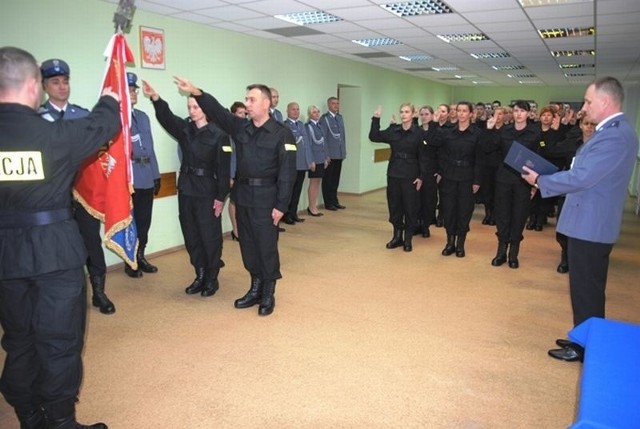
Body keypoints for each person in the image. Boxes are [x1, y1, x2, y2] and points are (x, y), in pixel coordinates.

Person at [0, 46, 121, 429]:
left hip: (5, 255)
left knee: (18, 338)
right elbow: (104, 124)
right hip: (54, 253)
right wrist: (111, 95)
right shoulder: (54, 136)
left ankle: (28, 416)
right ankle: (60, 421)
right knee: (59, 341)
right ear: (35, 85)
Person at [522, 76, 639, 362]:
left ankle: (587, 346)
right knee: (584, 287)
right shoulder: (611, 131)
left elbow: (584, 176)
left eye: (588, 101)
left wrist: (541, 180)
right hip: (588, 221)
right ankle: (584, 335)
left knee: (587, 289)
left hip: (592, 225)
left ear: (606, 101)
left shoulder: (615, 134)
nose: (584, 107)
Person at [173, 77, 297, 316]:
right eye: (247, 99)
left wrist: (282, 205)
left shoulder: (282, 134)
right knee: (248, 245)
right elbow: (217, 112)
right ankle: (255, 287)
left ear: (266, 103)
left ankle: (268, 292)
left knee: (266, 246)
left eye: (252, 99)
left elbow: (287, 173)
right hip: (243, 196)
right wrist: (197, 93)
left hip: (266, 198)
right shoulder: (241, 128)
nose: (248, 104)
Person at [38, 58, 115, 315]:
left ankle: (99, 292)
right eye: (55, 82)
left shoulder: (83, 116)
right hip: (51, 199)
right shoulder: (37, 119)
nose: (62, 86)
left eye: (65, 81)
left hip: (84, 195)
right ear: (44, 86)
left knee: (91, 242)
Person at [142, 80, 231, 298]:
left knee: (209, 236)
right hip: (187, 189)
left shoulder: (220, 135)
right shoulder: (186, 129)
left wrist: (221, 197)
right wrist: (156, 98)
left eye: (195, 107)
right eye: (189, 107)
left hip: (208, 191)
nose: (191, 111)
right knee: (191, 234)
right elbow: (167, 118)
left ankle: (212, 277)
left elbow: (224, 170)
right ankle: (199, 274)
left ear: (205, 110)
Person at [486, 100, 541, 269]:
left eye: (522, 111)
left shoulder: (534, 132)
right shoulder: (504, 130)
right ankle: (501, 251)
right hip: (504, 178)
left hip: (523, 181)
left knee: (519, 216)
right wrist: (490, 129)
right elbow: (488, 147)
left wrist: (534, 185)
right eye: (516, 110)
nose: (518, 114)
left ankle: (514, 253)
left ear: (528, 113)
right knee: (502, 215)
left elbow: (537, 158)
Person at [369, 103, 424, 252]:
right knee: (395, 206)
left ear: (413, 114)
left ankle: (408, 238)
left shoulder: (418, 133)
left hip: (411, 175)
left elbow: (423, 157)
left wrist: (421, 177)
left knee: (410, 207)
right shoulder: (394, 130)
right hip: (394, 173)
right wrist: (376, 118)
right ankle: (397, 236)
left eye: (407, 112)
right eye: (402, 112)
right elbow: (374, 136)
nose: (403, 114)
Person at [430, 102, 482, 257]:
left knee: (464, 211)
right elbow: (432, 142)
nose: (461, 113)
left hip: (467, 176)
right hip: (449, 175)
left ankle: (460, 244)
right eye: (458, 110)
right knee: (449, 209)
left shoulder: (477, 133)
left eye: (464, 111)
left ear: (471, 114)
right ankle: (450, 242)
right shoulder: (448, 132)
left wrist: (477, 180)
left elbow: (480, 159)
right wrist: (433, 122)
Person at [125, 72, 161, 278]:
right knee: (129, 221)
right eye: (130, 90)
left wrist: (156, 175)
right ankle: (129, 261)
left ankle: (141, 256)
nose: (134, 93)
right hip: (129, 178)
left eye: (134, 89)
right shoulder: (116, 119)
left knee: (144, 220)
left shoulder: (143, 117)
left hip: (146, 175)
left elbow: (150, 148)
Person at [283, 101, 312, 225]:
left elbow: (306, 145)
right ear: (288, 111)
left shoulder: (301, 125)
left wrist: (310, 160)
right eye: (293, 109)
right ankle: (286, 214)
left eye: (298, 109)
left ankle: (294, 213)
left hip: (301, 163)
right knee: (289, 191)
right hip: (291, 164)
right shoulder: (284, 125)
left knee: (297, 190)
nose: (296, 112)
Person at [415, 105, 439, 237]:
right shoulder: (416, 130)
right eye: (422, 114)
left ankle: (425, 226)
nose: (424, 117)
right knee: (416, 199)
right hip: (417, 169)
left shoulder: (436, 130)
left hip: (431, 170)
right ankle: (417, 224)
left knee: (429, 199)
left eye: (426, 114)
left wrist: (439, 171)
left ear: (432, 115)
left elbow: (439, 150)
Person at [320, 96, 347, 211]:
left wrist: (343, 152)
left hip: (339, 153)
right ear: (329, 105)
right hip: (330, 155)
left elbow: (342, 136)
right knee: (328, 180)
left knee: (336, 179)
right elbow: (324, 138)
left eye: (337, 103)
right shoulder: (324, 119)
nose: (336, 105)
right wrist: (326, 155)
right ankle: (328, 202)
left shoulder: (339, 118)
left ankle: (334, 200)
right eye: (333, 103)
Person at [227, 101, 247, 241]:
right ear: (233, 114)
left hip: (244, 173)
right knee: (233, 201)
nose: (243, 116)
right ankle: (236, 230)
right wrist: (230, 175)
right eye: (240, 113)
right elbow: (229, 156)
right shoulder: (228, 132)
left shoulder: (246, 130)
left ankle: (243, 229)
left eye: (245, 113)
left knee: (241, 201)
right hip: (232, 173)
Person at [305, 105, 329, 217]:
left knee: (317, 182)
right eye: (314, 112)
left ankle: (313, 205)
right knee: (313, 183)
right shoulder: (308, 127)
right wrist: (311, 160)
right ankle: (312, 207)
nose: (317, 114)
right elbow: (308, 145)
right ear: (310, 114)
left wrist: (326, 157)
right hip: (314, 159)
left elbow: (324, 143)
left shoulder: (320, 126)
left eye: (318, 112)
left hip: (321, 158)